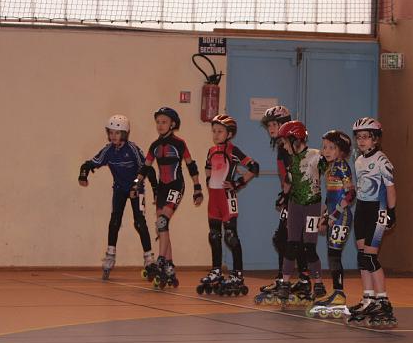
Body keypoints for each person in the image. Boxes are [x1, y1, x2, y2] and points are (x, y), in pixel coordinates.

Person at [132, 107, 204, 289]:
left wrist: (197, 188)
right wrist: (136, 183)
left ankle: (161, 260)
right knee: (161, 226)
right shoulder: (154, 145)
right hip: (162, 189)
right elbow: (145, 167)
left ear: (172, 124)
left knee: (162, 222)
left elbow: (191, 165)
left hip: (176, 185)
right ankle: (169, 266)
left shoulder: (180, 143)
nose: (160, 125)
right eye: (158, 122)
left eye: (164, 122)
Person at [78, 114, 156, 280]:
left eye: (117, 133)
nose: (113, 136)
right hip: (120, 189)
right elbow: (89, 163)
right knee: (114, 221)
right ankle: (110, 255)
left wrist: (146, 187)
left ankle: (149, 258)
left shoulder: (132, 149)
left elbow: (147, 169)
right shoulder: (108, 151)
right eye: (111, 132)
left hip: (136, 189)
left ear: (125, 134)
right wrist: (83, 174)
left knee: (139, 222)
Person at [196, 114, 259, 296]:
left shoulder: (233, 151)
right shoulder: (211, 150)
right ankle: (216, 270)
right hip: (214, 199)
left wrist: (237, 183)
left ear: (229, 134)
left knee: (230, 236)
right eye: (214, 131)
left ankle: (237, 274)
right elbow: (207, 167)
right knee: (214, 236)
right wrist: (208, 181)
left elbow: (254, 167)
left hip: (227, 198)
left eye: (220, 131)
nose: (215, 135)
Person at [254, 106, 310, 304]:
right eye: (268, 125)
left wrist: (286, 195)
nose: (270, 128)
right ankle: (301, 279)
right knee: (291, 239)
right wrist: (284, 194)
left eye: (273, 124)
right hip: (293, 197)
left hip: (297, 198)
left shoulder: (289, 147)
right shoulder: (282, 146)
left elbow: (294, 174)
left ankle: (289, 279)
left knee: (283, 239)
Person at [345, 117, 398, 328]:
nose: (361, 141)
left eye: (366, 137)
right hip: (362, 210)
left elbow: (391, 188)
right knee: (362, 257)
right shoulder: (358, 160)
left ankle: (383, 301)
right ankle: (368, 298)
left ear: (375, 139)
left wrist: (391, 212)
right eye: (358, 137)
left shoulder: (382, 160)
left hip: (378, 209)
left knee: (370, 257)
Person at [275, 120, 328, 307]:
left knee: (309, 247)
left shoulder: (315, 155)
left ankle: (318, 283)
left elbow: (330, 171)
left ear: (295, 140)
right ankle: (285, 283)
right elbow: (290, 181)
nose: (283, 146)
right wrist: (283, 197)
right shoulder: (291, 159)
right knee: (291, 245)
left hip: (312, 205)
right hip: (295, 205)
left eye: (285, 142)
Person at [306, 130, 356, 319]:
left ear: (341, 151)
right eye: (324, 147)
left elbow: (350, 194)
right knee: (332, 255)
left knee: (334, 254)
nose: (326, 151)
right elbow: (330, 197)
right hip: (333, 216)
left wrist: (334, 214)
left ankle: (339, 293)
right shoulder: (330, 167)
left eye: (331, 147)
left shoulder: (342, 167)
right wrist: (325, 216)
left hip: (342, 217)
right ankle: (337, 292)